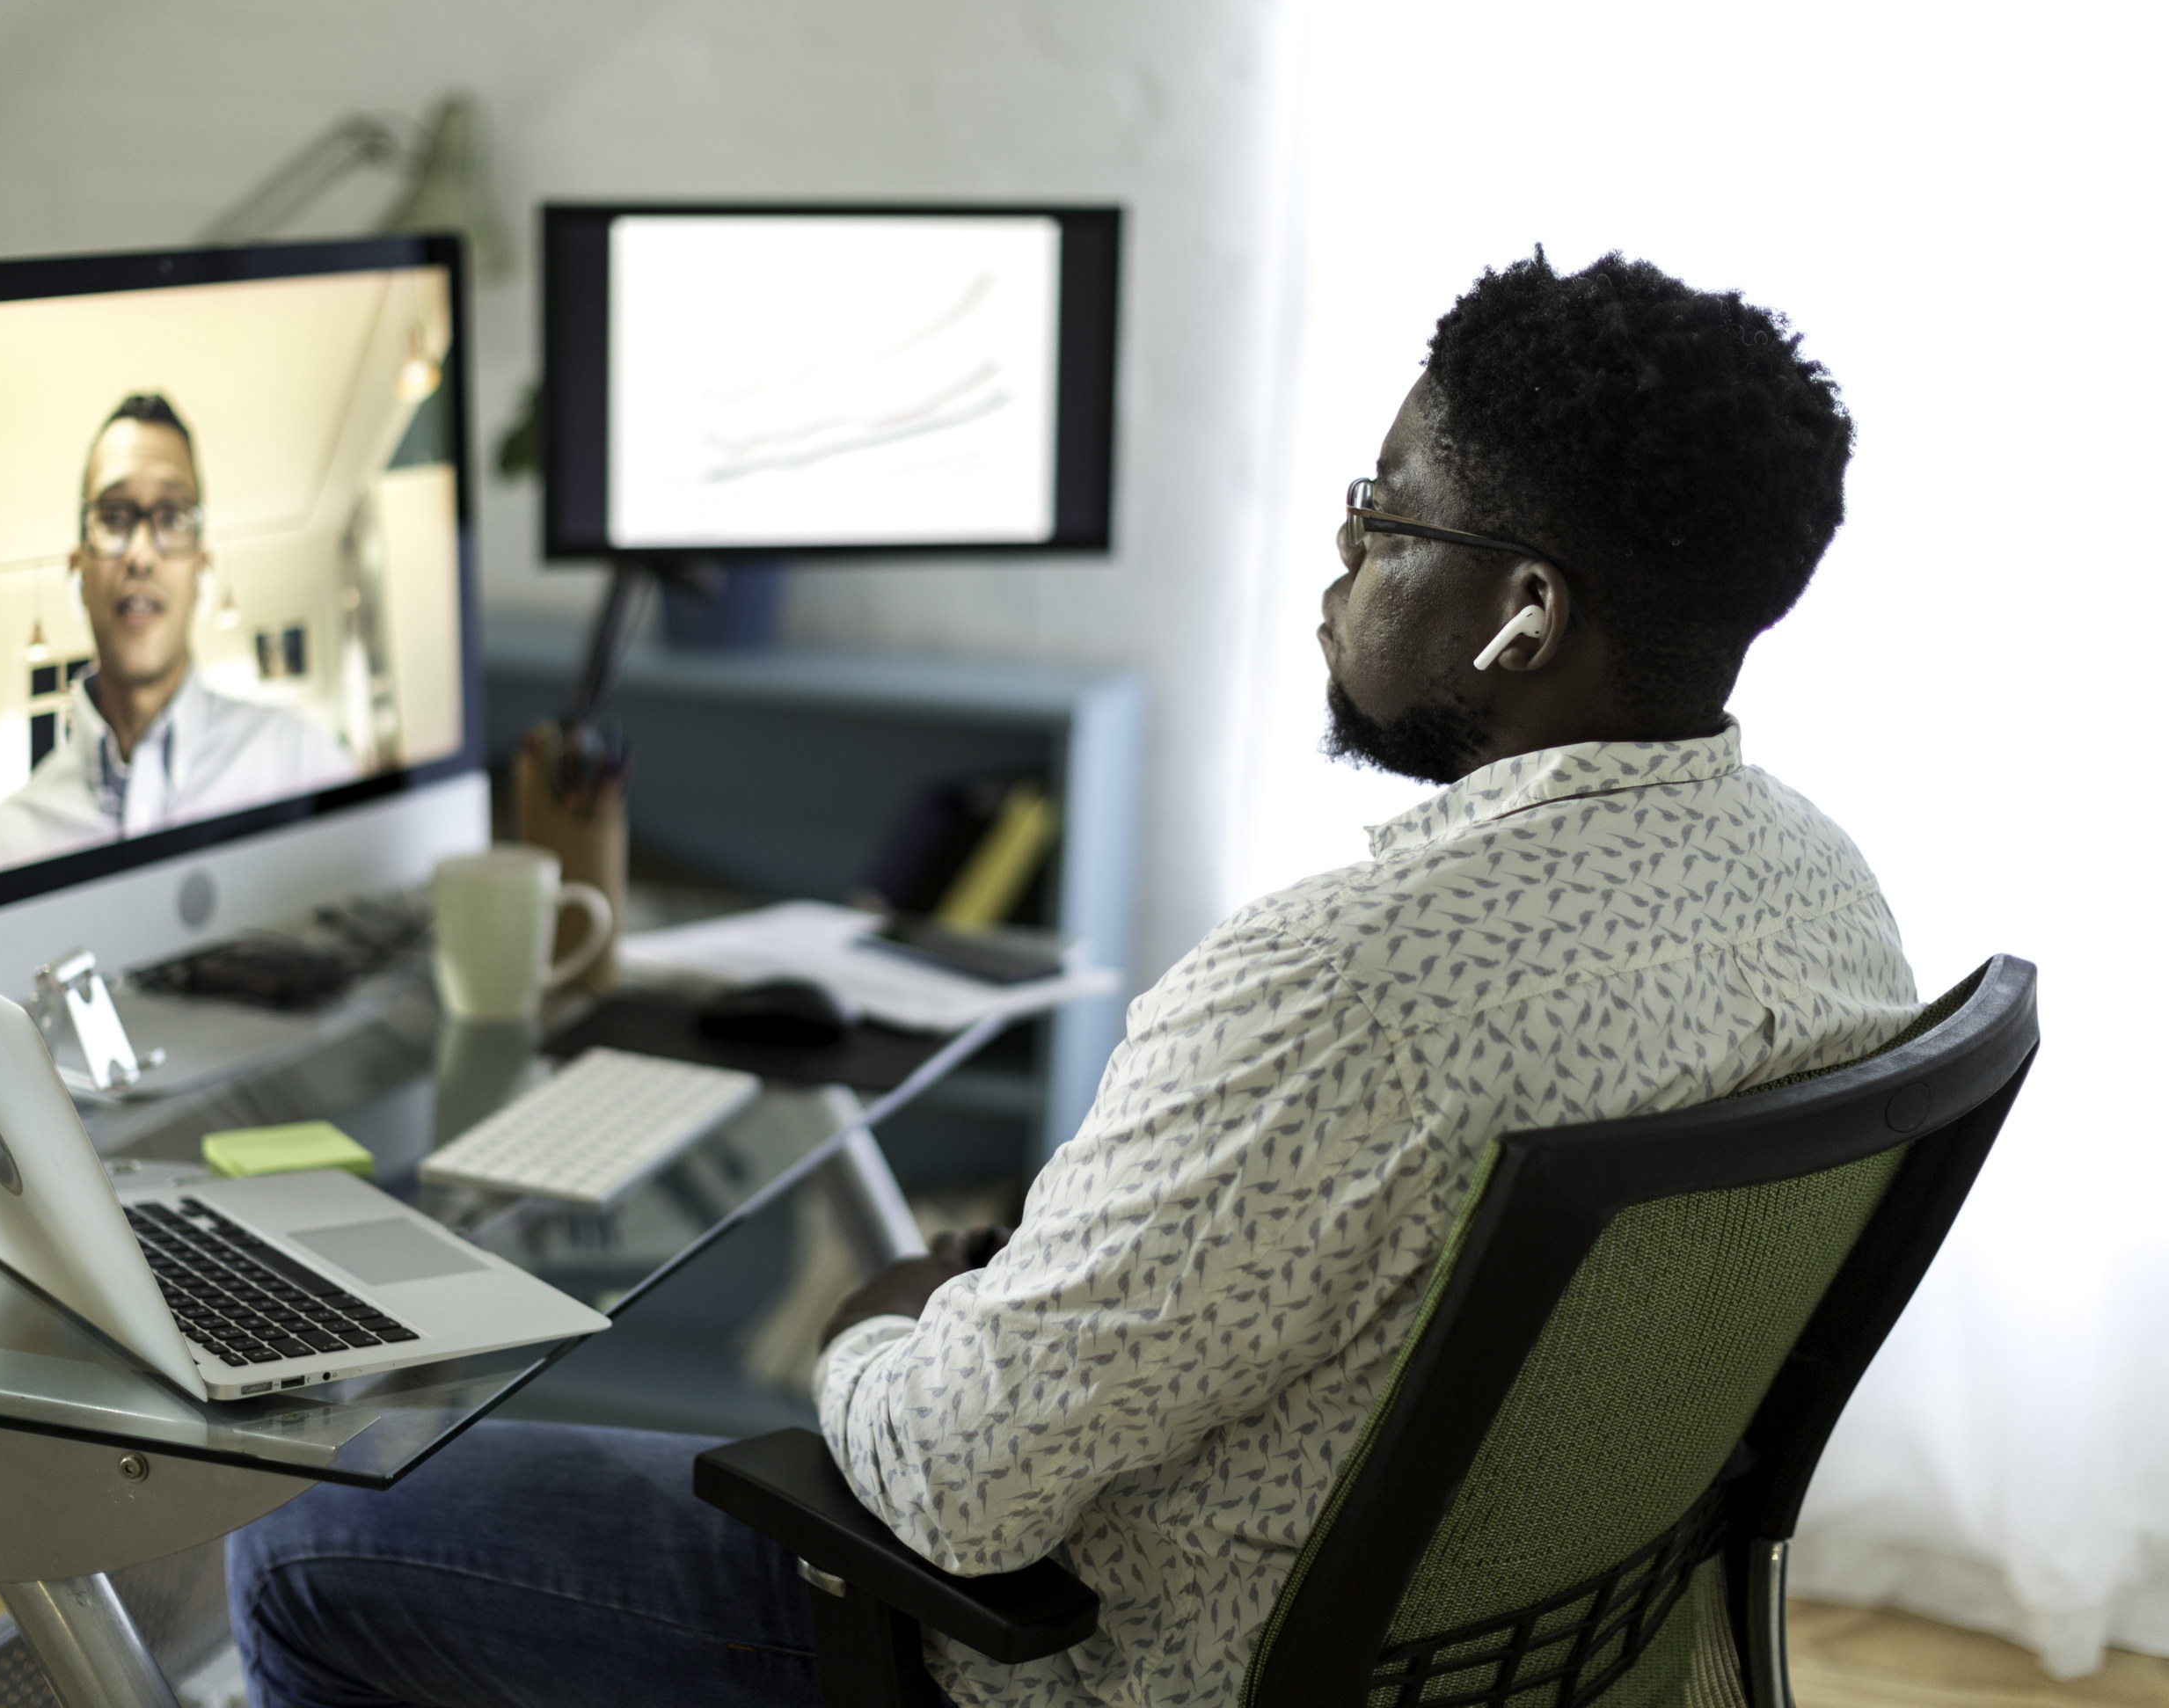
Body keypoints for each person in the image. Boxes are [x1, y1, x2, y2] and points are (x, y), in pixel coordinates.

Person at [225, 251, 1915, 1708]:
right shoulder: (1828, 895)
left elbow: (959, 1493)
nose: (1340, 562)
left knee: (305, 1542)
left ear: (1523, 615)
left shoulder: (1344, 986)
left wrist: (876, 1322)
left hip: (1082, 1663)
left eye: (1380, 515)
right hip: (1518, 1650)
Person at [0, 394, 356, 878]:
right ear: (78, 571)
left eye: (171, 517)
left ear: (201, 570)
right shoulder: (0, 853)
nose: (141, 555)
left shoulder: (303, 766)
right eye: (113, 517)